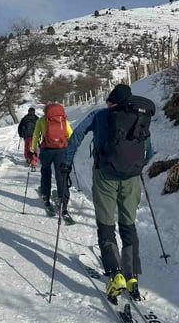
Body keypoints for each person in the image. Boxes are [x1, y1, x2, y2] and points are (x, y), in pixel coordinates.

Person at [62, 84, 154, 301]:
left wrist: (66, 162)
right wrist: (136, 165)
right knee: (128, 224)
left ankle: (115, 274)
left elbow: (77, 135)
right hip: (131, 178)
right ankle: (132, 276)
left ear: (111, 101)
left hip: (105, 174)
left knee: (106, 224)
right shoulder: (139, 117)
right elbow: (149, 150)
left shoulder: (99, 115)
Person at [28, 103, 73, 218]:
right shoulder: (63, 119)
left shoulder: (41, 120)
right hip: (61, 151)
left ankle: (46, 196)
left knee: (46, 172)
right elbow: (70, 133)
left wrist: (32, 150)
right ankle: (64, 203)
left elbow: (36, 136)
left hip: (46, 150)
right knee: (61, 176)